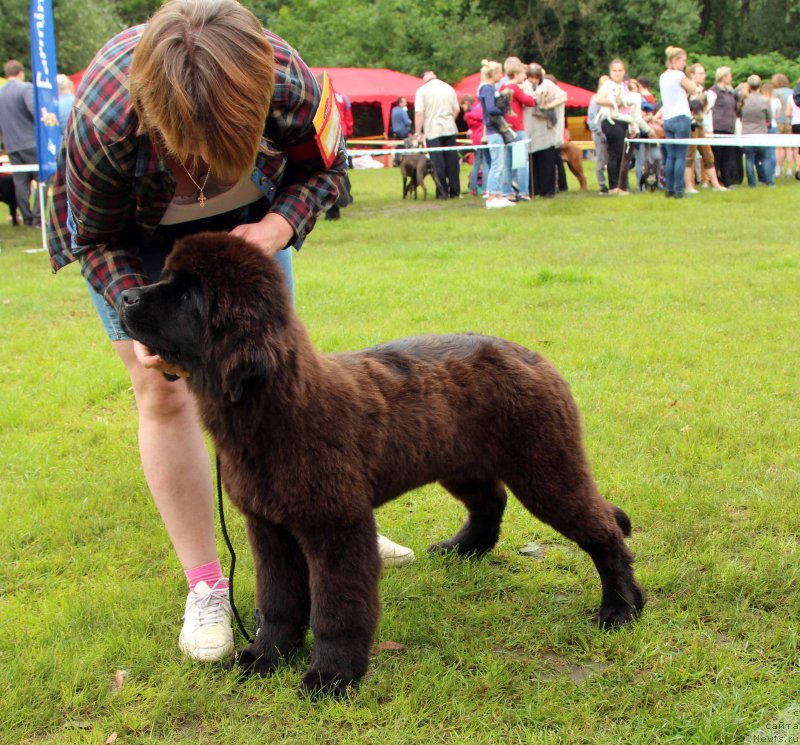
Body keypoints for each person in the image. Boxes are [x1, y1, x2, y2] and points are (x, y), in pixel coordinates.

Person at [47, 0, 413, 665]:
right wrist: (140, 311)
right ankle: (207, 584)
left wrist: (279, 227)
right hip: (137, 243)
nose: (201, 177)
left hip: (251, 230)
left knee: (277, 377)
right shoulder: (104, 119)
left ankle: (331, 518)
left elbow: (328, 167)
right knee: (161, 392)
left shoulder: (289, 82)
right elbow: (93, 236)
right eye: (193, 156)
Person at [0, 59, 41, 227]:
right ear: (20, 73)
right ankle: (39, 218)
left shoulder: (0, 93)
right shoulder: (26, 88)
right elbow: (35, 112)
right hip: (31, 142)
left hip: (11, 145)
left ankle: (27, 219)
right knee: (43, 180)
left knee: (20, 183)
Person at [414, 70, 460, 199]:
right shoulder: (449, 88)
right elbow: (456, 109)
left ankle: (442, 191)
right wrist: (450, 119)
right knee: (452, 161)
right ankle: (455, 191)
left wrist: (418, 132)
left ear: (423, 78)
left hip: (433, 129)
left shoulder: (422, 91)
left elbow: (419, 113)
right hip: (449, 128)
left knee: (437, 162)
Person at [683, 63, 726, 193]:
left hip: (701, 125)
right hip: (691, 125)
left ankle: (715, 184)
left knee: (708, 155)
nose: (704, 76)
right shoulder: (687, 89)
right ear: (692, 75)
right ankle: (688, 186)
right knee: (689, 156)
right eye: (700, 73)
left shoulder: (702, 90)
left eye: (704, 73)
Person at [524, 65, 566, 198]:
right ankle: (533, 189)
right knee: (531, 161)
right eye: (531, 77)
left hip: (545, 129)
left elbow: (563, 96)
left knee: (546, 160)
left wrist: (549, 106)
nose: (533, 80)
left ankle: (547, 191)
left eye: (536, 77)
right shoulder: (523, 85)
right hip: (529, 127)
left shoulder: (547, 84)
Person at [659, 46, 695, 198]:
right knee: (681, 155)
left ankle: (669, 188)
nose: (684, 64)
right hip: (681, 117)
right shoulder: (678, 75)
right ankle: (679, 189)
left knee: (671, 156)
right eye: (683, 61)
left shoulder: (663, 76)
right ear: (674, 60)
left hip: (667, 118)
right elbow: (693, 89)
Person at [478, 60, 515, 208]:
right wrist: (504, 109)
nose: (502, 75)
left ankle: (499, 195)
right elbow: (490, 108)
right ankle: (492, 197)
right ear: (493, 74)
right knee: (496, 165)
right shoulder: (487, 89)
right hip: (493, 130)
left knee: (499, 164)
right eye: (500, 72)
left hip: (496, 130)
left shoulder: (491, 88)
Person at [498, 59, 536, 201]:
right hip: (518, 129)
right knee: (521, 162)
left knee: (508, 161)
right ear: (515, 74)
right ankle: (523, 192)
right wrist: (532, 93)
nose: (524, 77)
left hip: (506, 129)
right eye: (522, 74)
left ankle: (507, 192)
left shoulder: (502, 88)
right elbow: (529, 101)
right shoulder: (516, 88)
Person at [594, 58, 633, 195]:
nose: (617, 73)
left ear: (624, 71)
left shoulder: (624, 86)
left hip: (623, 120)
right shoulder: (608, 85)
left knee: (622, 153)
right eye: (614, 70)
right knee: (615, 153)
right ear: (610, 72)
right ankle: (613, 187)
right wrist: (614, 104)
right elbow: (598, 99)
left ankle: (621, 185)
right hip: (611, 120)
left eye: (620, 70)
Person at [706, 67, 738, 188]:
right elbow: (709, 109)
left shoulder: (730, 92)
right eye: (729, 75)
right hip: (718, 127)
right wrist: (710, 127)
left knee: (728, 156)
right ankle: (715, 181)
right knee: (717, 156)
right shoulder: (713, 91)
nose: (731, 78)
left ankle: (727, 181)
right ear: (723, 77)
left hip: (729, 127)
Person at [740, 75, 773, 188]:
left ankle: (752, 183)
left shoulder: (744, 100)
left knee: (749, 158)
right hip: (761, 132)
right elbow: (769, 117)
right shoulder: (765, 100)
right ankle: (769, 181)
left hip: (746, 132)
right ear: (760, 85)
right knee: (765, 157)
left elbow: (739, 115)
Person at [461, 94, 489, 196]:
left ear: (467, 103)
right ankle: (486, 189)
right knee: (486, 164)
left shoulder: (468, 115)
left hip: (476, 140)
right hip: (484, 138)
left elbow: (471, 127)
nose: (462, 108)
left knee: (476, 164)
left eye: (462, 105)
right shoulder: (481, 108)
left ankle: (472, 189)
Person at [587, 78, 609, 193]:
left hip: (608, 133)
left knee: (609, 159)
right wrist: (600, 132)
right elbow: (591, 120)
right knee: (601, 159)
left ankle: (612, 183)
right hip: (599, 134)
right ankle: (602, 185)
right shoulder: (595, 100)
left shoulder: (608, 99)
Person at [772, 73, 794, 178]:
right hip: (789, 121)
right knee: (789, 147)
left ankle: (778, 169)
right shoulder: (792, 92)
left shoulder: (774, 93)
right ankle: (789, 169)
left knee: (778, 147)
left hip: (778, 122)